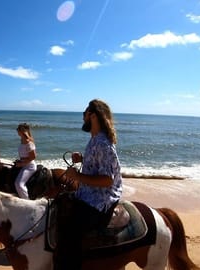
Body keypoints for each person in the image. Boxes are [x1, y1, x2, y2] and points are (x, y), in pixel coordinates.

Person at [53, 99, 123, 270]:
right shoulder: (95, 140)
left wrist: (77, 176)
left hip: (100, 199)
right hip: (88, 193)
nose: (82, 117)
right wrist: (83, 160)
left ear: (92, 116)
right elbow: (99, 165)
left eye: (84, 113)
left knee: (71, 234)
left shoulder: (102, 144)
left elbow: (107, 180)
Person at [14, 123, 37, 199]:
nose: (17, 130)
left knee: (19, 184)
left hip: (29, 167)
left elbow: (33, 157)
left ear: (22, 131)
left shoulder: (28, 142)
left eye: (18, 129)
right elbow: (24, 155)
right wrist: (19, 161)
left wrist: (21, 164)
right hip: (23, 164)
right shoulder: (22, 140)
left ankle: (26, 201)